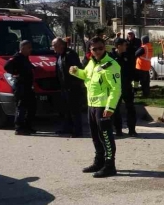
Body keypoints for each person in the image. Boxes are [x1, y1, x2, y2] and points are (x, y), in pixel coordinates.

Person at [70, 37, 122, 178]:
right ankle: (99, 161)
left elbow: (116, 89)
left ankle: (110, 165)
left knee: (106, 137)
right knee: (95, 136)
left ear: (104, 47)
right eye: (94, 49)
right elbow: (87, 76)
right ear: (90, 50)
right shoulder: (91, 63)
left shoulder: (111, 65)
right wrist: (75, 72)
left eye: (100, 48)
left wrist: (110, 108)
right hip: (91, 105)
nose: (98, 51)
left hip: (103, 106)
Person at [4, 40, 36, 135]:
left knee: (31, 107)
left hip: (28, 86)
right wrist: (16, 73)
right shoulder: (17, 57)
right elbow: (6, 66)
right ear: (22, 48)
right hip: (20, 86)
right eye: (28, 48)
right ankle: (19, 128)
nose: (31, 49)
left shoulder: (25, 58)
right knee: (21, 107)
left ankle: (27, 127)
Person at [53, 38, 84, 137]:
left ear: (61, 45)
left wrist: (74, 84)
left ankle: (77, 131)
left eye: (54, 45)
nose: (53, 48)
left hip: (73, 87)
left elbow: (76, 70)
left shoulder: (70, 55)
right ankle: (67, 128)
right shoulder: (60, 55)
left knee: (74, 110)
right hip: (64, 87)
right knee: (66, 110)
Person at [111, 38, 138, 137]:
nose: (126, 46)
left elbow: (133, 71)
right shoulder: (110, 57)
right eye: (124, 45)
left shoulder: (128, 55)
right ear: (118, 46)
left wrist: (135, 86)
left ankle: (132, 130)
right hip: (115, 88)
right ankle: (118, 130)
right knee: (115, 109)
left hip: (127, 86)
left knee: (130, 108)